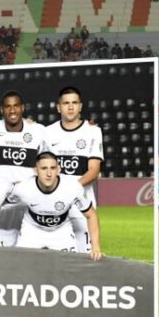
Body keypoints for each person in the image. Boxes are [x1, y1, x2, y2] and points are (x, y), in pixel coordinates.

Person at [0, 90, 48, 246]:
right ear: (1, 110)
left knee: (27, 249)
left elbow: (49, 161)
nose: (12, 110)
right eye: (8, 107)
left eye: (16, 106)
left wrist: (86, 125)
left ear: (22, 108)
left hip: (26, 203)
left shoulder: (38, 131)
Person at [7, 152, 102, 260]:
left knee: (68, 269)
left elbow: (91, 215)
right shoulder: (23, 187)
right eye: (43, 168)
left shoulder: (72, 188)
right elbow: (3, 199)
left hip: (61, 231)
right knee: (22, 265)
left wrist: (95, 247)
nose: (49, 173)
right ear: (35, 171)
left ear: (58, 170)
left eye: (52, 168)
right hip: (32, 231)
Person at [45, 86, 102, 252]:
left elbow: (93, 171)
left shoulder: (93, 131)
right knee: (58, 259)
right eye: (66, 103)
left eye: (74, 103)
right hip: (55, 206)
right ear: (58, 107)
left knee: (86, 258)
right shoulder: (47, 132)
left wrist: (69, 190)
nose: (70, 107)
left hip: (83, 206)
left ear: (80, 106)